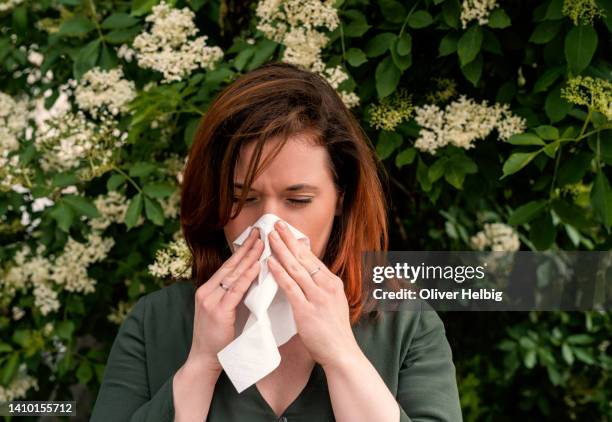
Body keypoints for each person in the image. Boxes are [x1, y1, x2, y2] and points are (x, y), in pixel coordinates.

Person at [90, 62, 462, 422]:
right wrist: (202, 363)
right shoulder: (156, 322)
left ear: (341, 200)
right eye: (243, 199)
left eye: (298, 200)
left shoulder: (405, 324)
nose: (269, 224)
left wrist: (342, 356)